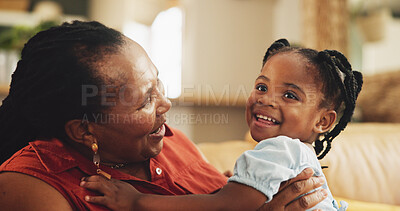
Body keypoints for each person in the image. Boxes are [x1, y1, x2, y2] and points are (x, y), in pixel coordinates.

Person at [0, 22, 326, 210]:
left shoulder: (167, 142)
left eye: (158, 84)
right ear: (84, 130)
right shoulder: (29, 186)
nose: (165, 104)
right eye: (145, 100)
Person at [80, 39, 363, 210]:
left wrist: (137, 202)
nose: (266, 100)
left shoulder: (281, 149)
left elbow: (224, 207)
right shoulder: (294, 153)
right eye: (262, 87)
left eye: (290, 95)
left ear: (323, 121)